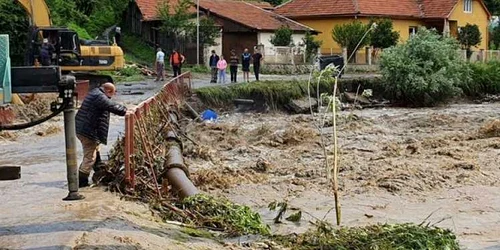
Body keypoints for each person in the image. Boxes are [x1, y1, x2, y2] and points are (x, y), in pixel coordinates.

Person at [75, 83, 127, 187]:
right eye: (113, 93)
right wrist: (126, 110)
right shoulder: (99, 96)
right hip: (87, 131)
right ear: (109, 91)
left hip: (85, 128)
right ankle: (81, 183)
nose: (112, 96)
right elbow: (112, 106)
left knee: (95, 150)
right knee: (90, 156)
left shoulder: (96, 92)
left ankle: (99, 172)